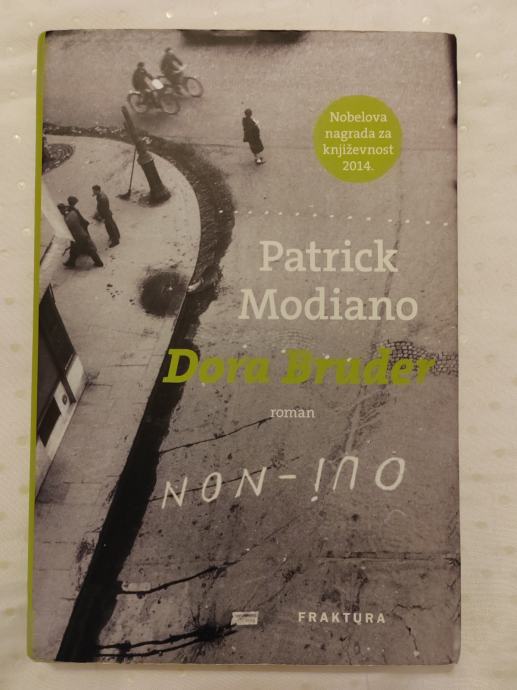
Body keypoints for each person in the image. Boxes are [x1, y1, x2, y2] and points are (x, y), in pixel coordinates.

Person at [58, 203, 103, 268]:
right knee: (75, 250)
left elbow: (67, 229)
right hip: (82, 234)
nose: (60, 213)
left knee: (89, 250)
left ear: (62, 210)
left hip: (78, 237)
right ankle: (71, 263)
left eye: (60, 211)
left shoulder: (67, 219)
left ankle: (99, 263)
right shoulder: (73, 213)